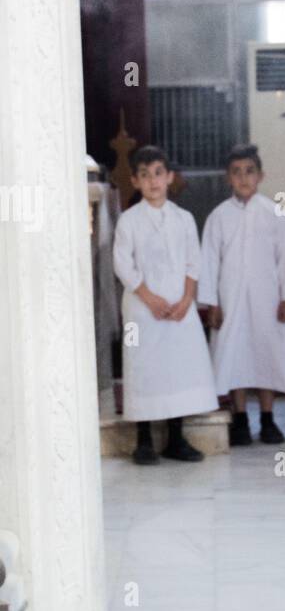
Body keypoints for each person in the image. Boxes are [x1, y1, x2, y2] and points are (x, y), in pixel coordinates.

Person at [112, 145, 218, 464]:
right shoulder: (129, 221)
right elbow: (122, 264)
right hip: (143, 307)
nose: (153, 181)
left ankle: (175, 438)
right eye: (145, 175)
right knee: (144, 370)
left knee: (176, 370)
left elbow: (193, 262)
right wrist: (149, 297)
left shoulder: (184, 219)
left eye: (159, 173)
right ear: (135, 181)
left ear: (170, 177)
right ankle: (143, 441)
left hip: (178, 307)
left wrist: (187, 299)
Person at [197, 145, 285, 445]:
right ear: (227, 178)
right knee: (235, 357)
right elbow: (208, 261)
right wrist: (212, 303)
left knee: (265, 355)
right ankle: (241, 419)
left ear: (260, 176)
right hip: (230, 299)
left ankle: (268, 420)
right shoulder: (218, 217)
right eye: (236, 172)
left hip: (268, 299)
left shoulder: (274, 213)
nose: (243, 178)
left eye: (249, 171)